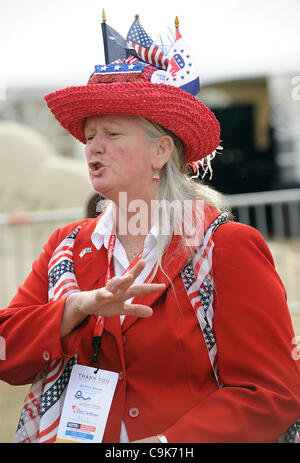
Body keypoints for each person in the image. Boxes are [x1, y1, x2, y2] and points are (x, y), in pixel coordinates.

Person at [0, 18, 300, 444]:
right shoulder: (66, 246)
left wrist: (162, 448)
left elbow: (271, 393)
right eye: (89, 135)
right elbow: (6, 353)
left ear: (161, 150)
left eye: (112, 133)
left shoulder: (227, 246)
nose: (93, 146)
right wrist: (75, 308)